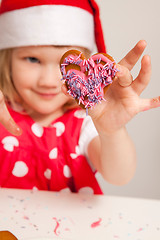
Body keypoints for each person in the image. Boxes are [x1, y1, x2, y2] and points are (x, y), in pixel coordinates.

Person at [0, 0, 159, 194]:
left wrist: (111, 131)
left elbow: (119, 176)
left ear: (85, 70)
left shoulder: (84, 124)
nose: (48, 81)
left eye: (62, 65)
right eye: (33, 59)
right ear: (6, 62)